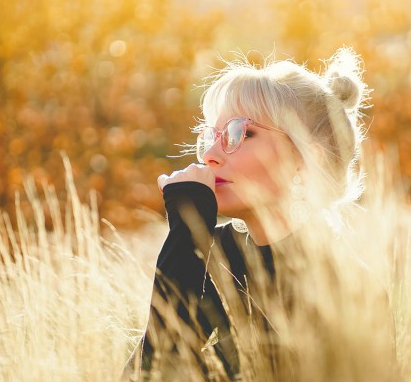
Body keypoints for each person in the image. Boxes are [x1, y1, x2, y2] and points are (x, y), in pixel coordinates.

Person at [124, 47, 373, 380]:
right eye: (211, 136)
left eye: (240, 133)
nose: (210, 155)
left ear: (304, 158)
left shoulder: (346, 286)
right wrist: (188, 234)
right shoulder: (207, 255)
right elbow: (148, 373)